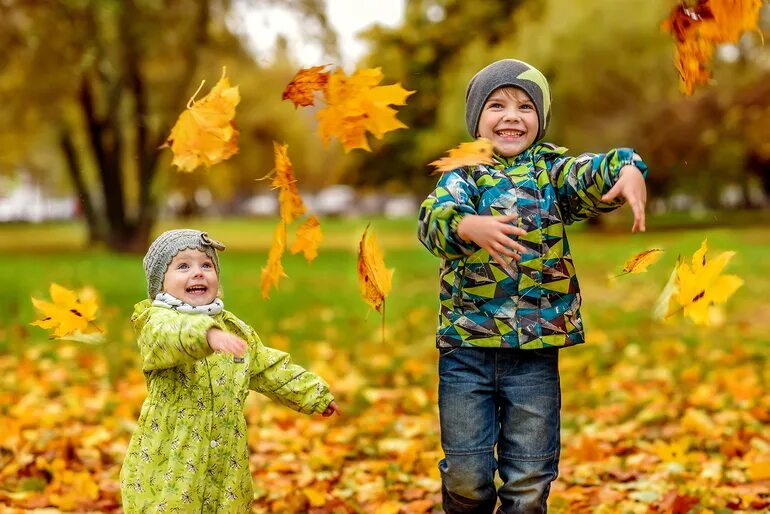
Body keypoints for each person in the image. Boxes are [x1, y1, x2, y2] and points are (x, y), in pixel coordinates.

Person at [417, 59, 648, 513]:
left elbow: (589, 172)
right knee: (467, 476)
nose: (511, 115)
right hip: (468, 349)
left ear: (539, 120)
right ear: (476, 119)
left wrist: (628, 169)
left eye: (526, 106)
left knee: (530, 477)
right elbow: (432, 220)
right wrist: (467, 226)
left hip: (536, 354)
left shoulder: (551, 172)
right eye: (497, 105)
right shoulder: (462, 174)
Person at [120, 229, 340, 512]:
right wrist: (207, 335)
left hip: (226, 459)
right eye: (183, 266)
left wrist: (313, 393)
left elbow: (267, 367)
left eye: (206, 265)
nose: (198, 273)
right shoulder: (156, 322)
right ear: (160, 284)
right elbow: (171, 336)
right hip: (173, 460)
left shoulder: (233, 329)